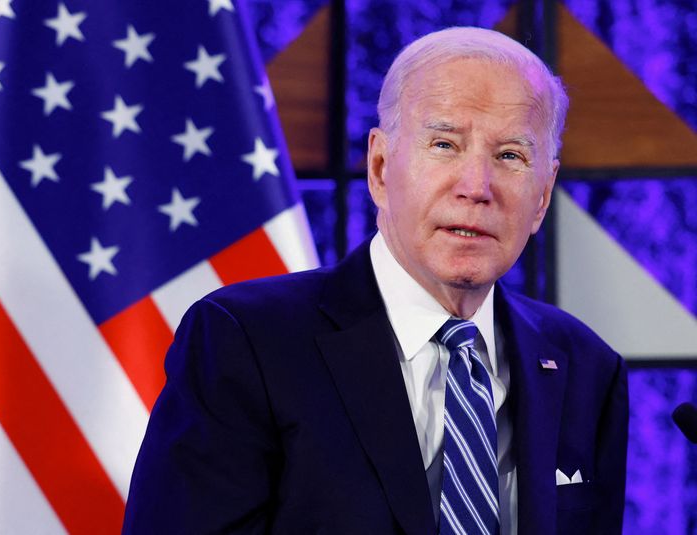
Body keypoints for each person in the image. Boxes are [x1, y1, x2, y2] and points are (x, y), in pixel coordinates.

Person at [123, 26, 628, 535]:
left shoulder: (585, 366)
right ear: (381, 168)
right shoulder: (245, 341)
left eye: (511, 157)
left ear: (542, 197)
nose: (477, 187)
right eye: (445, 144)